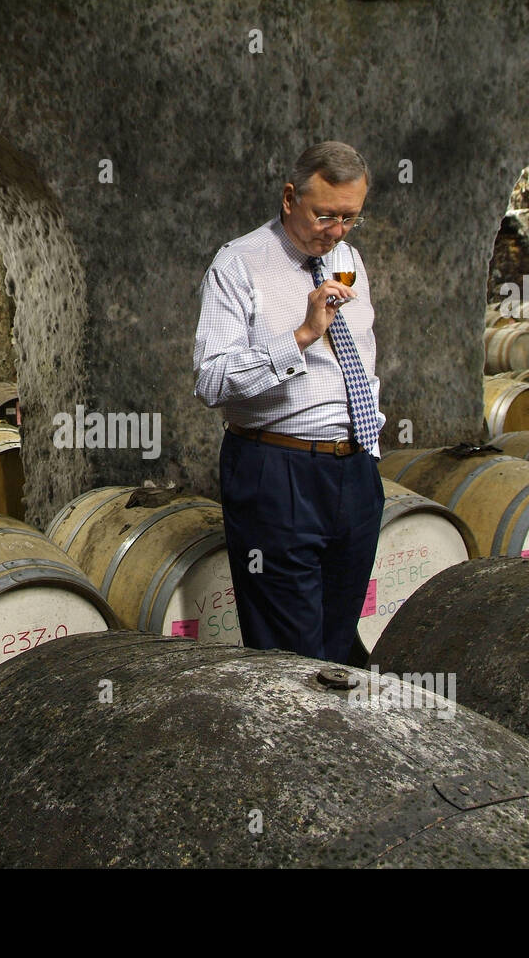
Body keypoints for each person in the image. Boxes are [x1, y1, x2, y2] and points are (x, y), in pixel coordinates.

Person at [193, 141, 385, 665]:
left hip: (355, 475)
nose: (337, 231)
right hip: (277, 473)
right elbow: (212, 380)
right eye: (325, 215)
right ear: (288, 198)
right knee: (292, 659)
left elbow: (361, 356)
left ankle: (334, 747)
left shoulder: (348, 259)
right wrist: (300, 336)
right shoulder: (239, 264)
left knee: (339, 646)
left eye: (351, 219)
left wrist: (370, 439)